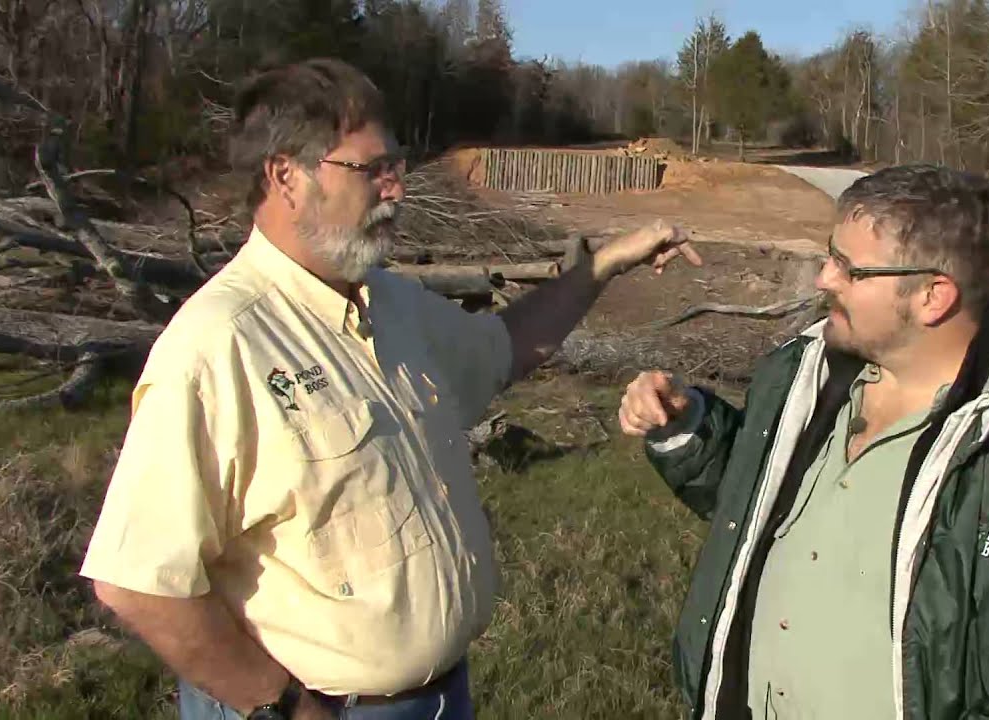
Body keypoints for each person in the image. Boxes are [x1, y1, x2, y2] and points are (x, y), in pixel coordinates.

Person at [80, 58, 700, 720]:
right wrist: (284, 708)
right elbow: (137, 583)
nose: (396, 189)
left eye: (396, 166)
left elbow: (504, 347)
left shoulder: (391, 304)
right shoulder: (218, 345)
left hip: (439, 698)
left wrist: (604, 264)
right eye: (370, 168)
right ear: (285, 175)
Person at [620, 164, 989, 720]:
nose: (823, 279)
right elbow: (753, 505)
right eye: (831, 255)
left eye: (849, 268)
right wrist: (685, 427)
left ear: (933, 296)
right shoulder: (803, 374)